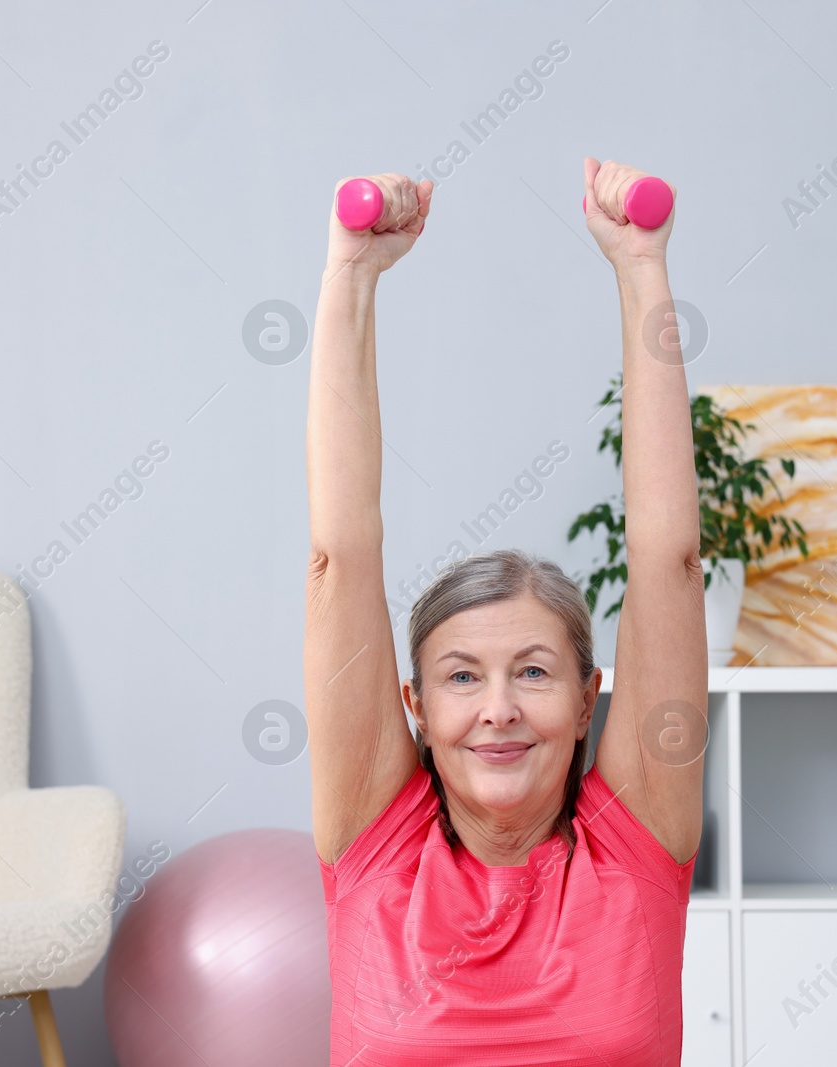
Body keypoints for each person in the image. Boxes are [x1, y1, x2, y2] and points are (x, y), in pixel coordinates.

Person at [306, 157, 707, 1066]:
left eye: (533, 670)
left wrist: (642, 267)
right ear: (414, 705)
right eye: (461, 677)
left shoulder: (634, 840)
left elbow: (669, 562)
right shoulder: (378, 840)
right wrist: (351, 276)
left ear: (587, 697)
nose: (498, 708)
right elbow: (340, 558)